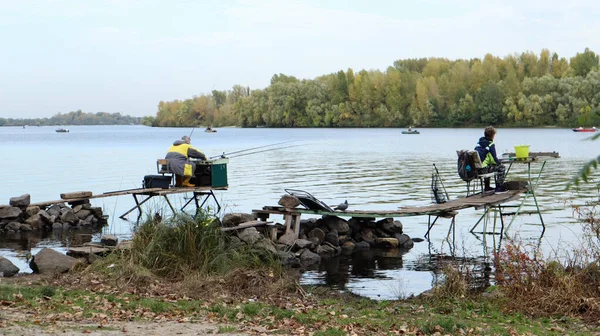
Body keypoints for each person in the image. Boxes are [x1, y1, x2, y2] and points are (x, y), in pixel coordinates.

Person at [474, 126, 507, 193]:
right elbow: (494, 159)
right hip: (483, 170)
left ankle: (487, 187)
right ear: (492, 135)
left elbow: (486, 156)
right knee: (501, 168)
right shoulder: (490, 144)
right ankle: (499, 188)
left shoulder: (479, 143)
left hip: (475, 170)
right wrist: (499, 163)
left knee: (488, 165)